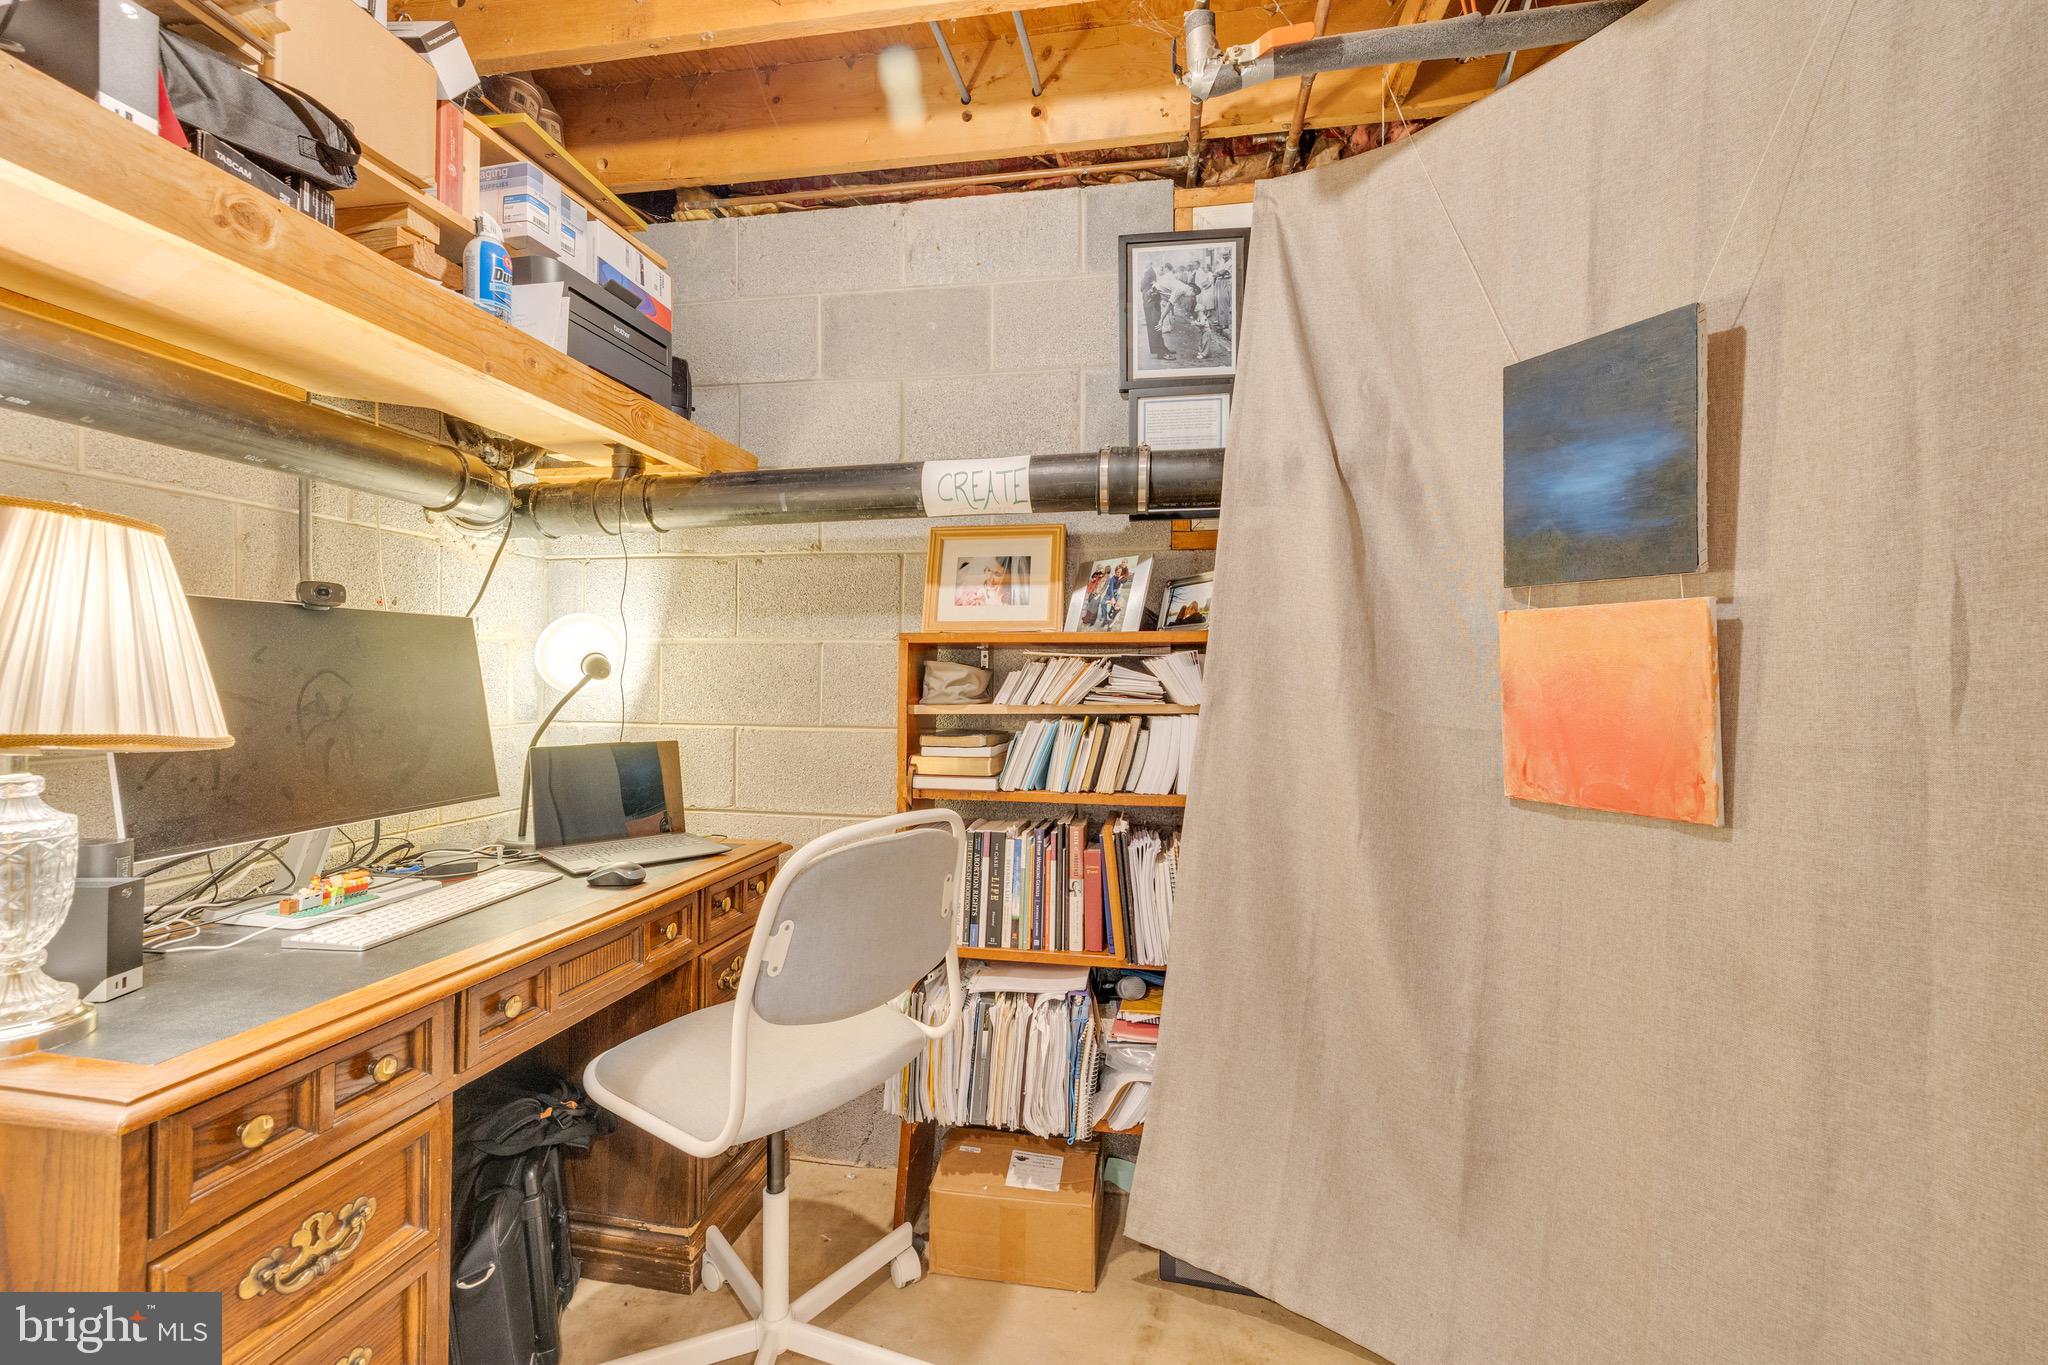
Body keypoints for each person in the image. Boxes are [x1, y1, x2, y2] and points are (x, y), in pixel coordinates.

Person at [1139, 263, 1166, 359]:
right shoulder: (1150, 273)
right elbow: (1147, 288)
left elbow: (1142, 288)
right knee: (1155, 326)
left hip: (1150, 303)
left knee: (1153, 326)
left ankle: (1158, 348)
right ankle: (1160, 352)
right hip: (1152, 304)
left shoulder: (1148, 273)